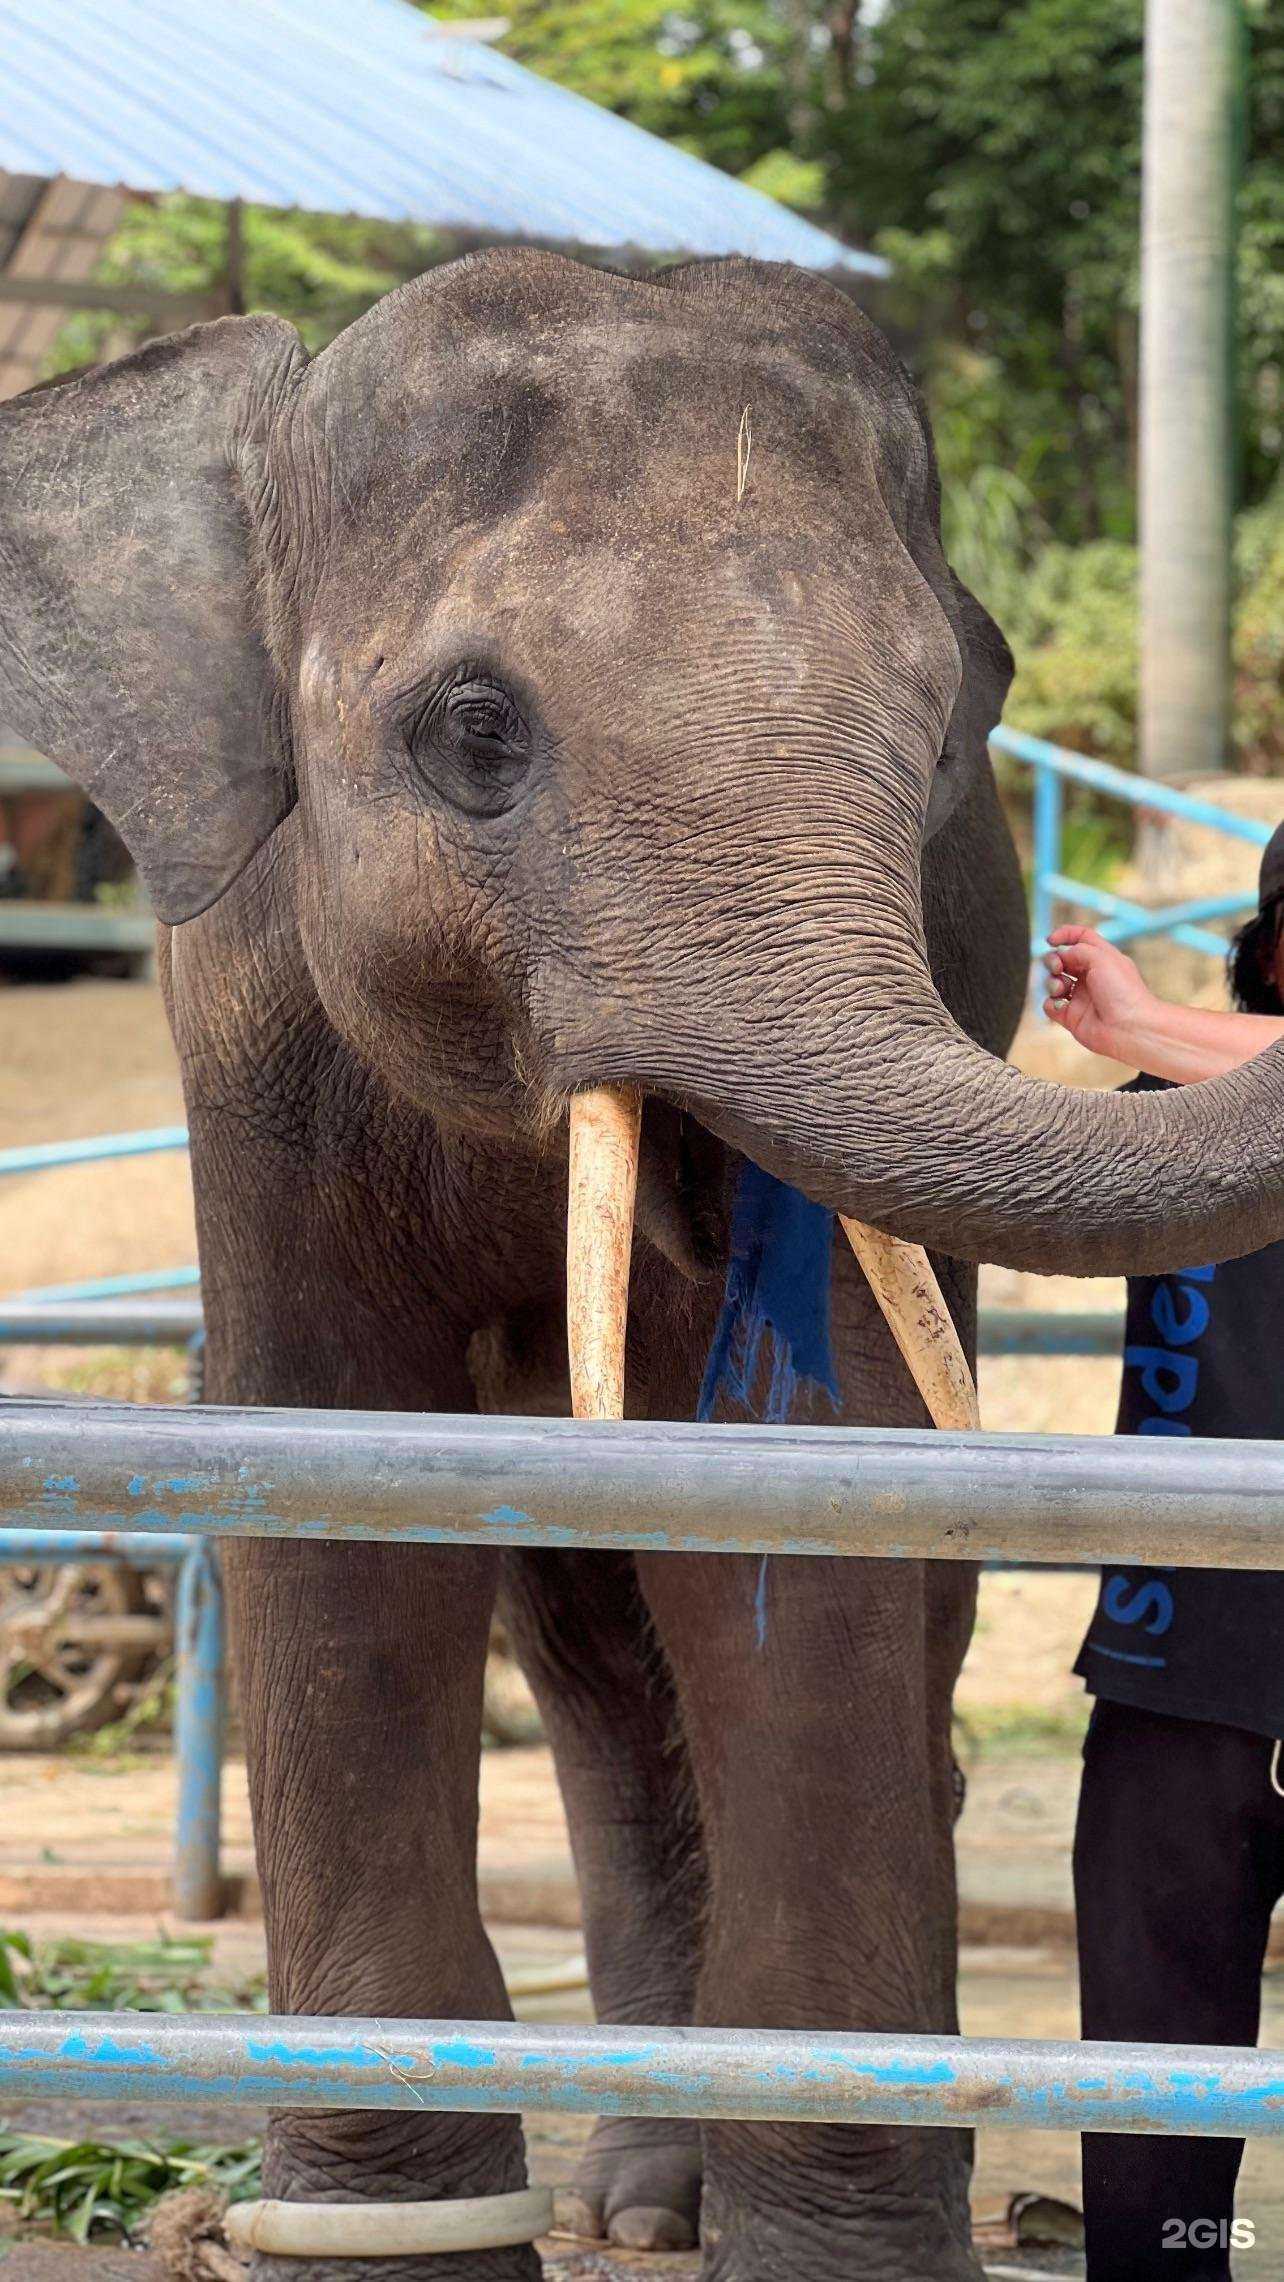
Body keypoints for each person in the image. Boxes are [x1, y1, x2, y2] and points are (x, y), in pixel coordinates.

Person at [1042, 829, 1284, 2282]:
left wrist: (1141, 1019)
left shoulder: (1163, 1061)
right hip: (1174, 1685)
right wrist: (1136, 1041)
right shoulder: (1151, 1123)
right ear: (1266, 949)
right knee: (1155, 2190)